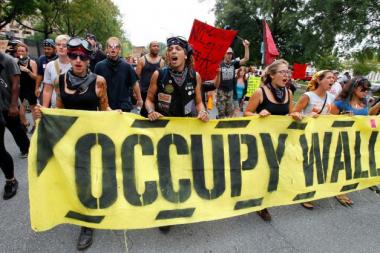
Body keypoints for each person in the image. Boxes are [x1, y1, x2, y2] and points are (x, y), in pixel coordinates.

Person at [35, 37, 112, 251]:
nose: (78, 60)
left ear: (88, 59)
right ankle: (78, 209)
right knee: (76, 177)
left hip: (91, 138)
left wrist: (116, 114)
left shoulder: (99, 81)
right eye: (74, 56)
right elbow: (59, 109)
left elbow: (105, 109)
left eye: (83, 57)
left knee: (88, 177)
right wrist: (44, 113)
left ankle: (87, 225)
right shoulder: (60, 80)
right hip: (69, 139)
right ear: (69, 57)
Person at [145, 36, 209, 232]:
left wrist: (203, 111)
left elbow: (198, 102)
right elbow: (148, 100)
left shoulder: (194, 76)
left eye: (177, 49)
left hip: (187, 131)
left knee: (183, 169)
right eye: (170, 49)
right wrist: (151, 111)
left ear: (185, 54)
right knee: (165, 171)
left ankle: (181, 203)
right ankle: (166, 212)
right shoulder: (159, 75)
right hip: (164, 131)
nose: (173, 51)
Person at [244, 59, 296, 221]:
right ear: (272, 75)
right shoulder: (260, 92)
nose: (286, 75)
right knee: (260, 171)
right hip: (259, 140)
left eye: (288, 72)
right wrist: (258, 115)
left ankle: (263, 202)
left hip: (279, 140)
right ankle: (258, 202)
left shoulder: (289, 93)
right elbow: (246, 113)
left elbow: (289, 115)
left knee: (272, 171)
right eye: (282, 72)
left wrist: (295, 115)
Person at [292, 70, 344, 208]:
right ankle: (304, 194)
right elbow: (294, 112)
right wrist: (304, 116)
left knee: (318, 163)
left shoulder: (332, 98)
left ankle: (311, 189)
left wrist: (344, 116)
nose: (332, 80)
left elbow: (332, 115)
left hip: (323, 136)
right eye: (328, 77)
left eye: (333, 78)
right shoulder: (307, 96)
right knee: (307, 163)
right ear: (319, 80)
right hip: (307, 134)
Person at [94, 36, 143, 112]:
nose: (113, 49)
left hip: (123, 106)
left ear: (119, 50)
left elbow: (134, 83)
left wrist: (140, 99)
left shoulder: (127, 66)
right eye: (110, 47)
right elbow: (94, 86)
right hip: (105, 106)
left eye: (116, 47)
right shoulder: (99, 66)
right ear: (107, 49)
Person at [0, 51, 24, 199]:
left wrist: (14, 105)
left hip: (8, 105)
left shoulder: (7, 61)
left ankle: (11, 180)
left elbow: (16, 84)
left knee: (17, 131)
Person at [215, 39, 250, 118]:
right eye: (228, 53)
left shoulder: (234, 63)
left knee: (229, 114)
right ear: (224, 54)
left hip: (230, 92)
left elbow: (246, 59)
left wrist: (246, 47)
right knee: (221, 114)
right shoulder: (219, 64)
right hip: (221, 92)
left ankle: (227, 129)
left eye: (231, 54)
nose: (229, 55)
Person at [135, 41, 165, 117]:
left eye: (157, 46)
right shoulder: (142, 60)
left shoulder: (162, 61)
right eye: (154, 46)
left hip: (156, 93)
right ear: (150, 48)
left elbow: (163, 77)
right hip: (144, 92)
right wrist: (135, 93)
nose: (156, 48)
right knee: (144, 115)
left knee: (157, 114)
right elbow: (136, 78)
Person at [42, 34, 71, 108]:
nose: (61, 47)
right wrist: (44, 108)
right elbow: (47, 90)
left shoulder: (76, 64)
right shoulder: (50, 65)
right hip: (55, 108)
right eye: (58, 44)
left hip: (72, 108)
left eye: (64, 45)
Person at [16, 43, 38, 132]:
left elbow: (36, 77)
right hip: (21, 89)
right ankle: (26, 123)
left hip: (31, 89)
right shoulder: (15, 62)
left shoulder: (32, 62)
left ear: (27, 52)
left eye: (22, 51)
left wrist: (28, 71)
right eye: (19, 50)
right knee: (24, 109)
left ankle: (35, 126)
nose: (20, 52)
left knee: (28, 108)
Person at [35, 39, 57, 104]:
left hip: (57, 87)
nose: (46, 51)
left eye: (49, 49)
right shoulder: (41, 59)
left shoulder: (59, 58)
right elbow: (39, 75)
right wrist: (37, 88)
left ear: (54, 49)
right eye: (45, 49)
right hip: (45, 87)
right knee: (43, 105)